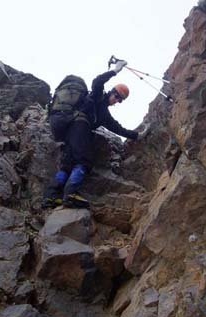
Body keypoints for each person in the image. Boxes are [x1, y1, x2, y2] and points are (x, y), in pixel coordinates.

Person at [42, 60, 148, 209]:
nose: (116, 101)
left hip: (65, 129)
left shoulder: (104, 114)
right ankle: (70, 193)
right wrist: (116, 70)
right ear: (111, 91)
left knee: (67, 165)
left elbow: (118, 129)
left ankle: (51, 196)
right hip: (78, 126)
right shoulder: (97, 97)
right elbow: (97, 81)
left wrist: (137, 136)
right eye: (116, 96)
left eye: (120, 100)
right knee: (84, 161)